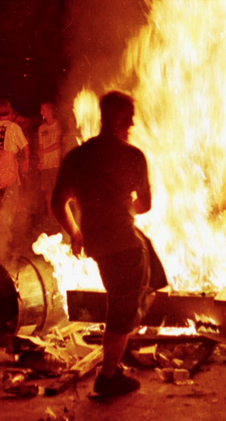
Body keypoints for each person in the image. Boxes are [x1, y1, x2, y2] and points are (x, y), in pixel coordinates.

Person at [51, 91, 167, 398]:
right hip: (124, 247)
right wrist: (125, 206)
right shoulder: (132, 156)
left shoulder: (78, 157)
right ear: (119, 118)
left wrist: (76, 232)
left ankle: (122, 339)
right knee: (122, 307)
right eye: (129, 117)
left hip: (98, 244)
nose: (131, 123)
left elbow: (57, 204)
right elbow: (145, 205)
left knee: (150, 275)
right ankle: (109, 374)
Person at [0, 99, 30, 262]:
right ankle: (5, 241)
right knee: (10, 204)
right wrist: (25, 160)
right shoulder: (13, 127)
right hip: (9, 166)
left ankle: (3, 239)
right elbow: (25, 146)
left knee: (4, 201)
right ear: (9, 110)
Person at [37, 102, 63, 218]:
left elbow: (58, 144)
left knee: (57, 191)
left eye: (43, 110)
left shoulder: (58, 125)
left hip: (56, 163)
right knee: (48, 193)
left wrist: (44, 152)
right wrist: (41, 161)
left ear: (50, 111)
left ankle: (60, 216)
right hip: (46, 164)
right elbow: (40, 146)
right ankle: (50, 216)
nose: (41, 112)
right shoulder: (41, 128)